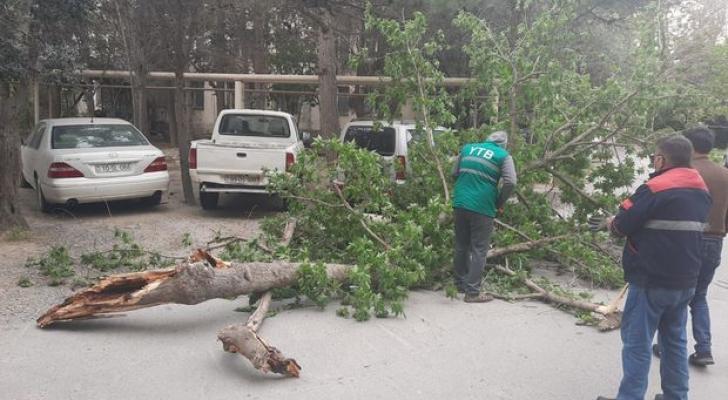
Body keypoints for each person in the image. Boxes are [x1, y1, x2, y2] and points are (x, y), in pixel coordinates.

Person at [593, 135, 711, 400]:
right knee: (675, 342)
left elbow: (622, 225)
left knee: (637, 343)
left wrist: (609, 221)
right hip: (686, 280)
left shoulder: (654, 187)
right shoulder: (701, 190)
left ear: (661, 159)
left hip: (650, 280)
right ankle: (676, 396)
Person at [652, 127, 728, 367]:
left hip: (688, 239)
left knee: (677, 294)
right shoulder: (724, 174)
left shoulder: (687, 173)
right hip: (715, 240)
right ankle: (704, 348)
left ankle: (667, 347)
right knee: (699, 296)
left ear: (690, 147)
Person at [451, 130, 517, 303]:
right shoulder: (503, 155)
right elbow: (511, 182)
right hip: (482, 206)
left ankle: (460, 284)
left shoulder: (467, 149)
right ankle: (472, 292)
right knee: (479, 249)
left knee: (461, 245)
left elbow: (454, 173)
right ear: (503, 143)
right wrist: (499, 202)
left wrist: (465, 189)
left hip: (460, 202)